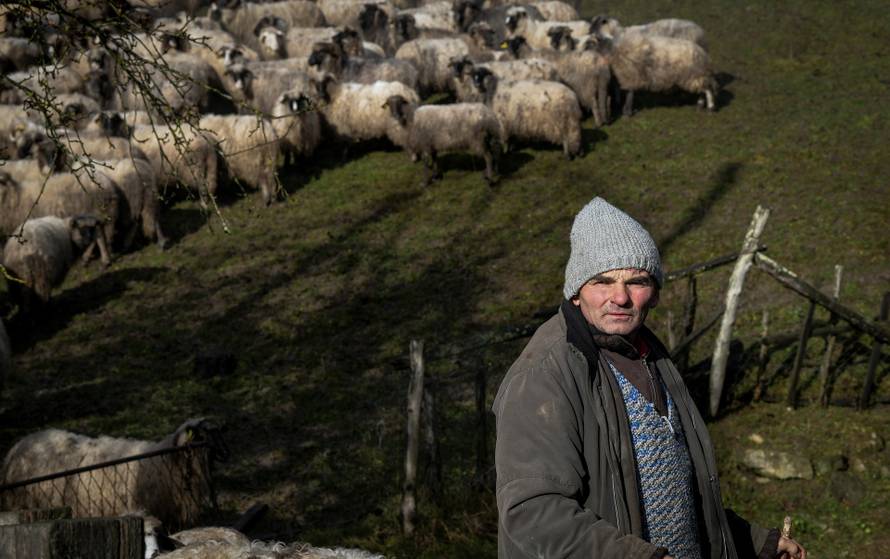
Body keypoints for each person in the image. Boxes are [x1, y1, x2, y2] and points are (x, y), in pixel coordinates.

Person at [492, 197, 807, 559]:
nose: (620, 297)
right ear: (577, 292)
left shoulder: (650, 356)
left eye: (636, 281)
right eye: (602, 281)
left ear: (654, 292)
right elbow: (532, 514)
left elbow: (678, 493)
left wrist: (754, 542)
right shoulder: (543, 376)